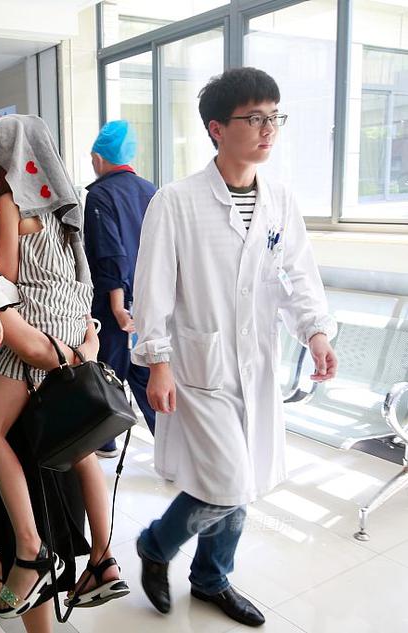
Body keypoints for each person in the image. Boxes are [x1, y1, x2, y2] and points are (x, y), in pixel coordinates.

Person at [132, 67, 338, 628]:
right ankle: (155, 543)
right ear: (216, 128)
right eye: (254, 118)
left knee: (240, 478)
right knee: (228, 481)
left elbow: (297, 276)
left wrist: (316, 331)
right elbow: (151, 291)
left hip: (255, 364)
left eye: (274, 117)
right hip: (199, 364)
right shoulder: (174, 202)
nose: (268, 129)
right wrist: (157, 364)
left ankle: (210, 577)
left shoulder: (280, 200)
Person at [0, 133, 128, 623]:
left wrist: (81, 341)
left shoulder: (11, 224)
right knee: (42, 555)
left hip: (38, 401)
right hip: (30, 396)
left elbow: (46, 337)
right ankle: (83, 558)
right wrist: (84, 346)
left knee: (46, 556)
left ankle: (41, 558)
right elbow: (36, 346)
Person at [83, 120, 158, 458]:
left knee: (109, 373)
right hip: (149, 300)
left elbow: (110, 251)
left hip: (115, 306)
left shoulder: (100, 194)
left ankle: (107, 441)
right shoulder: (151, 190)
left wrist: (116, 303)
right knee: (146, 371)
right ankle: (169, 447)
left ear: (99, 158)